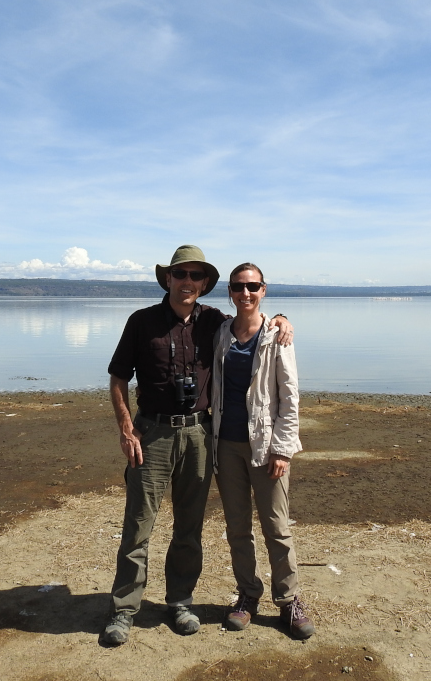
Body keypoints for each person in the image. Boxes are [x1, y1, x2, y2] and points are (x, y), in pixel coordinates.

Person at [103, 245, 293, 646]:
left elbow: (252, 322)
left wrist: (282, 319)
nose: (187, 281)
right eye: (180, 274)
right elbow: (118, 379)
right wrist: (125, 428)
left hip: (200, 435)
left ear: (205, 284)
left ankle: (180, 601)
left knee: (189, 527)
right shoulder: (141, 322)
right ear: (168, 279)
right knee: (138, 525)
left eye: (195, 276)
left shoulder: (215, 323)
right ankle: (124, 609)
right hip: (150, 435)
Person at [211, 262, 314, 640]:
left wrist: (283, 450)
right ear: (230, 292)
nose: (246, 293)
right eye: (238, 287)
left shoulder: (276, 336)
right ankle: (247, 595)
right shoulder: (221, 332)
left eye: (252, 287)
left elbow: (290, 398)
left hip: (266, 447)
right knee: (238, 528)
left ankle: (288, 601)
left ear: (264, 290)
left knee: (277, 528)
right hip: (226, 446)